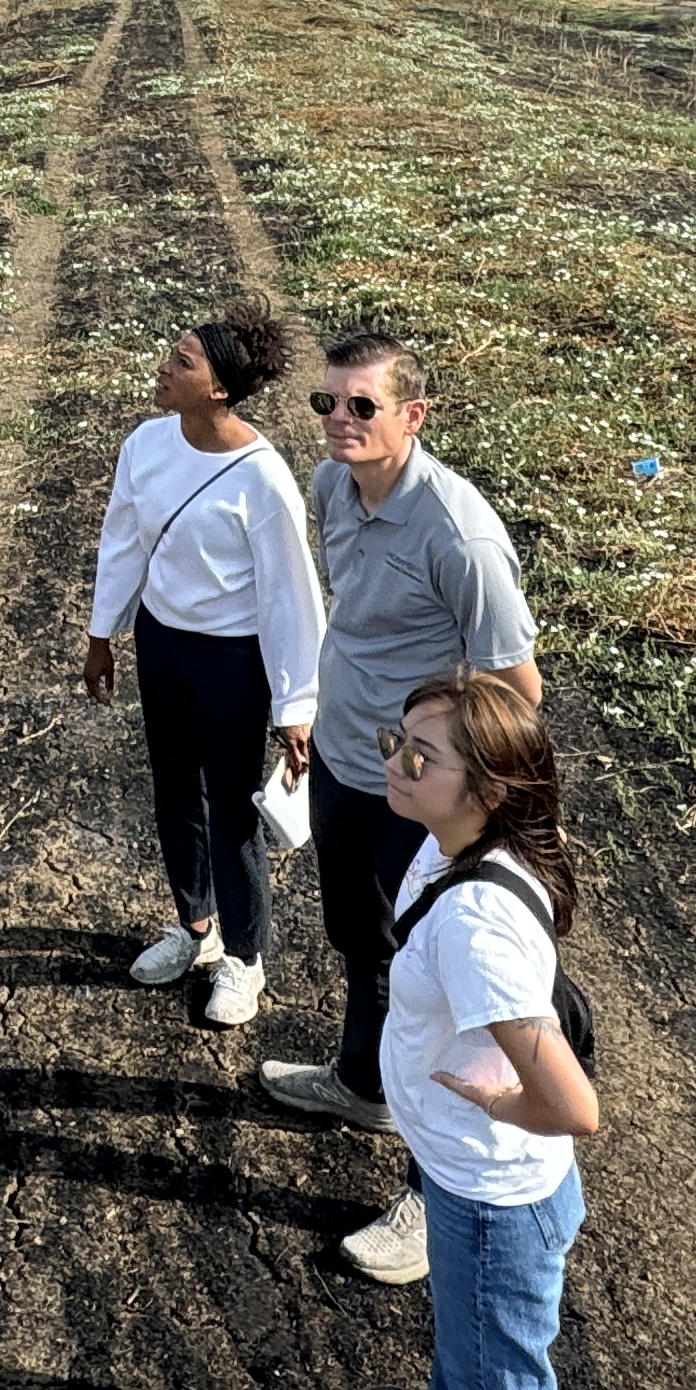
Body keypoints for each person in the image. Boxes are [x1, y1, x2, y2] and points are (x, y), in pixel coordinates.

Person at [253, 331, 542, 1288]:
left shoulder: (459, 534)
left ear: (412, 416)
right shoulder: (333, 487)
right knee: (363, 942)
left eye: (361, 407)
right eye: (327, 404)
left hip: (423, 798)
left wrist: (462, 794)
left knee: (440, 992)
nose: (338, 421)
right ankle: (363, 1085)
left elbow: (516, 686)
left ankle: (433, 1189)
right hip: (343, 762)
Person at [346, 672, 602, 1390]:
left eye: (422, 755)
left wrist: (497, 1106)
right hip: (477, 1187)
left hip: (498, 1196)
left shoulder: (478, 923)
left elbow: (575, 1107)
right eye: (397, 741)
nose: (398, 763)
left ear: (488, 788)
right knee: (472, 1343)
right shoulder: (464, 848)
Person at [80, 293, 324, 1028]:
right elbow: (123, 540)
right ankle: (197, 930)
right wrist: (102, 634)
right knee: (173, 794)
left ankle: (245, 959)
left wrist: (296, 707)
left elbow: (291, 596)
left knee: (232, 814)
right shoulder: (146, 445)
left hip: (231, 661)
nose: (163, 368)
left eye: (181, 362)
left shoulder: (264, 478)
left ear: (218, 388)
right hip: (162, 643)